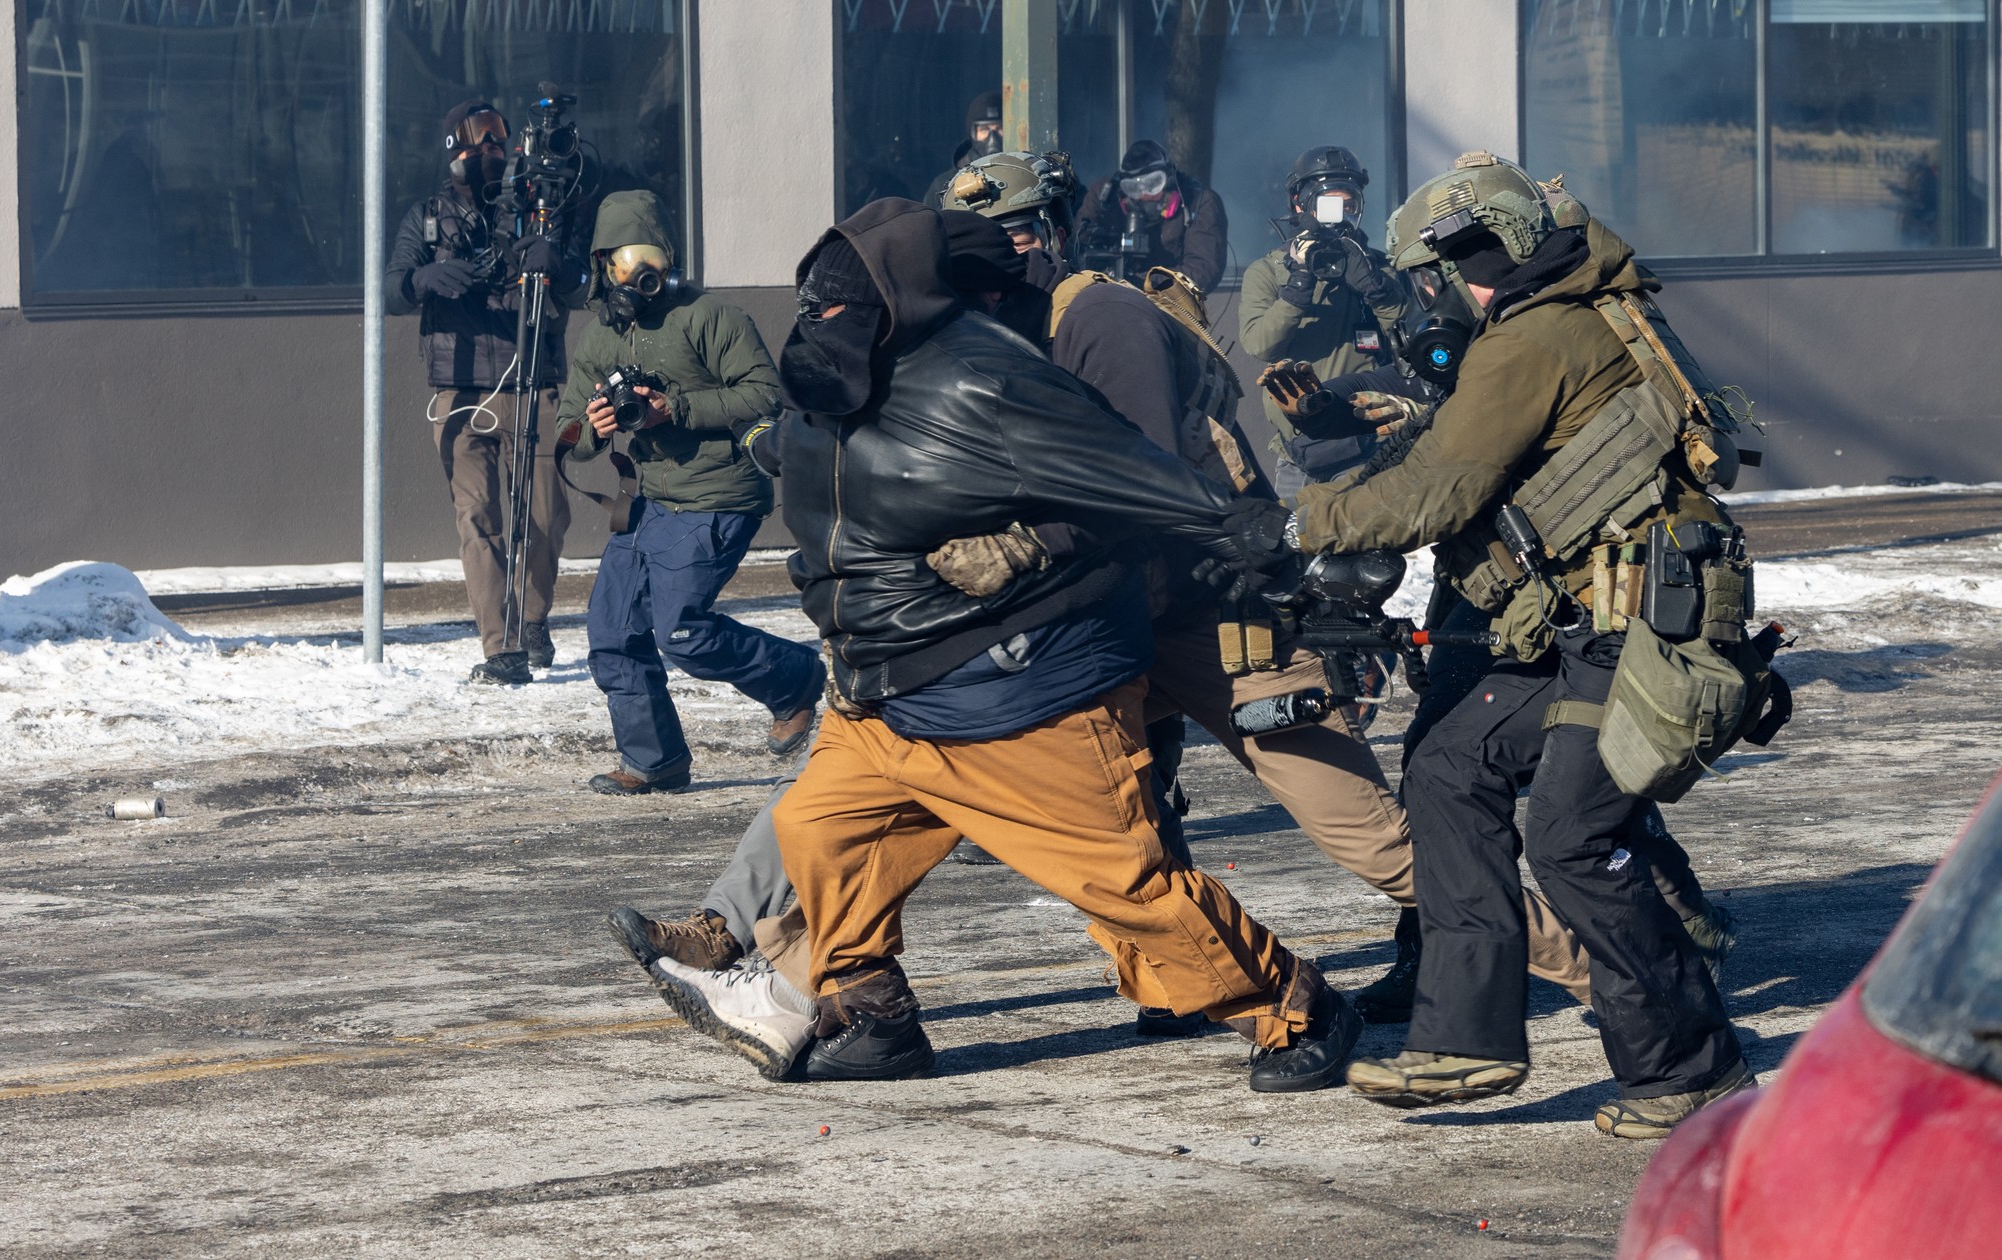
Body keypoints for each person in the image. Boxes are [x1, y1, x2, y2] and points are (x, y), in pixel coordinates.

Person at [758, 197, 1364, 1091]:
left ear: (903, 297)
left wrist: (1259, 542)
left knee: (1127, 884)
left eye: (844, 300)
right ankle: (875, 1018)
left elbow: (1135, 474)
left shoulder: (987, 377)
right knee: (820, 832)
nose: (822, 318)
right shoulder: (828, 382)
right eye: (815, 299)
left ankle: (1297, 1008)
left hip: (1019, 685)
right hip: (886, 690)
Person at [1291, 152, 1751, 1137]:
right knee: (1451, 769)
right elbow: (1510, 449)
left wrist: (1302, 523)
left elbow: (1436, 495)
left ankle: (1693, 1075)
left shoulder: (1535, 337)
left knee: (1576, 841)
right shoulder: (1579, 312)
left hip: (1641, 634)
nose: (1434, 297)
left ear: (1480, 255)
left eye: (1437, 274)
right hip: (1604, 625)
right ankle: (1465, 1036)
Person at [555, 191, 824, 795]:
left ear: (669, 259)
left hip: (717, 494)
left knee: (681, 631)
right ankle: (655, 760)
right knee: (612, 630)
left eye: (648, 258)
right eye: (623, 262)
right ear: (603, 266)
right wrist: (591, 433)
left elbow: (765, 396)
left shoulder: (711, 318)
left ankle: (795, 681)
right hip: (651, 501)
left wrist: (674, 409)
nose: (637, 275)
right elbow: (567, 433)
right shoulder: (600, 338)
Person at [384, 99, 588, 685]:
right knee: (477, 517)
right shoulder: (427, 216)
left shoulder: (541, 212)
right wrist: (422, 278)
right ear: (452, 151)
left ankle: (533, 620)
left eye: (497, 144)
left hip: (532, 383)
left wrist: (558, 263)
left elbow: (582, 282)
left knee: (546, 513)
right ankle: (500, 647)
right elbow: (391, 288)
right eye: (475, 145)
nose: (487, 154)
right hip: (460, 390)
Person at [1239, 146, 1410, 486]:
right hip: (1298, 450)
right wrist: (1297, 288)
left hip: (1369, 442)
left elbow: (1408, 330)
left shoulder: (1377, 268)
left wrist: (1374, 287)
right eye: (1328, 204)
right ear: (1301, 204)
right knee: (1295, 536)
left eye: (1348, 205)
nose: (1339, 214)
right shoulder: (1268, 271)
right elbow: (1259, 346)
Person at [1075, 140, 1229, 291]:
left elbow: (1203, 271)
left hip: (1171, 304)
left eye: (1152, 184)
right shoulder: (1105, 197)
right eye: (1132, 188)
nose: (1143, 195)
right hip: (1107, 294)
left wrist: (1143, 282)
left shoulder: (1198, 202)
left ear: (1169, 179)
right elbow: (1074, 246)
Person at [922, 89, 1003, 210]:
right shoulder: (944, 186)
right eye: (984, 129)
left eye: (1000, 128)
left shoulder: (1022, 171)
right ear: (972, 133)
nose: (992, 138)